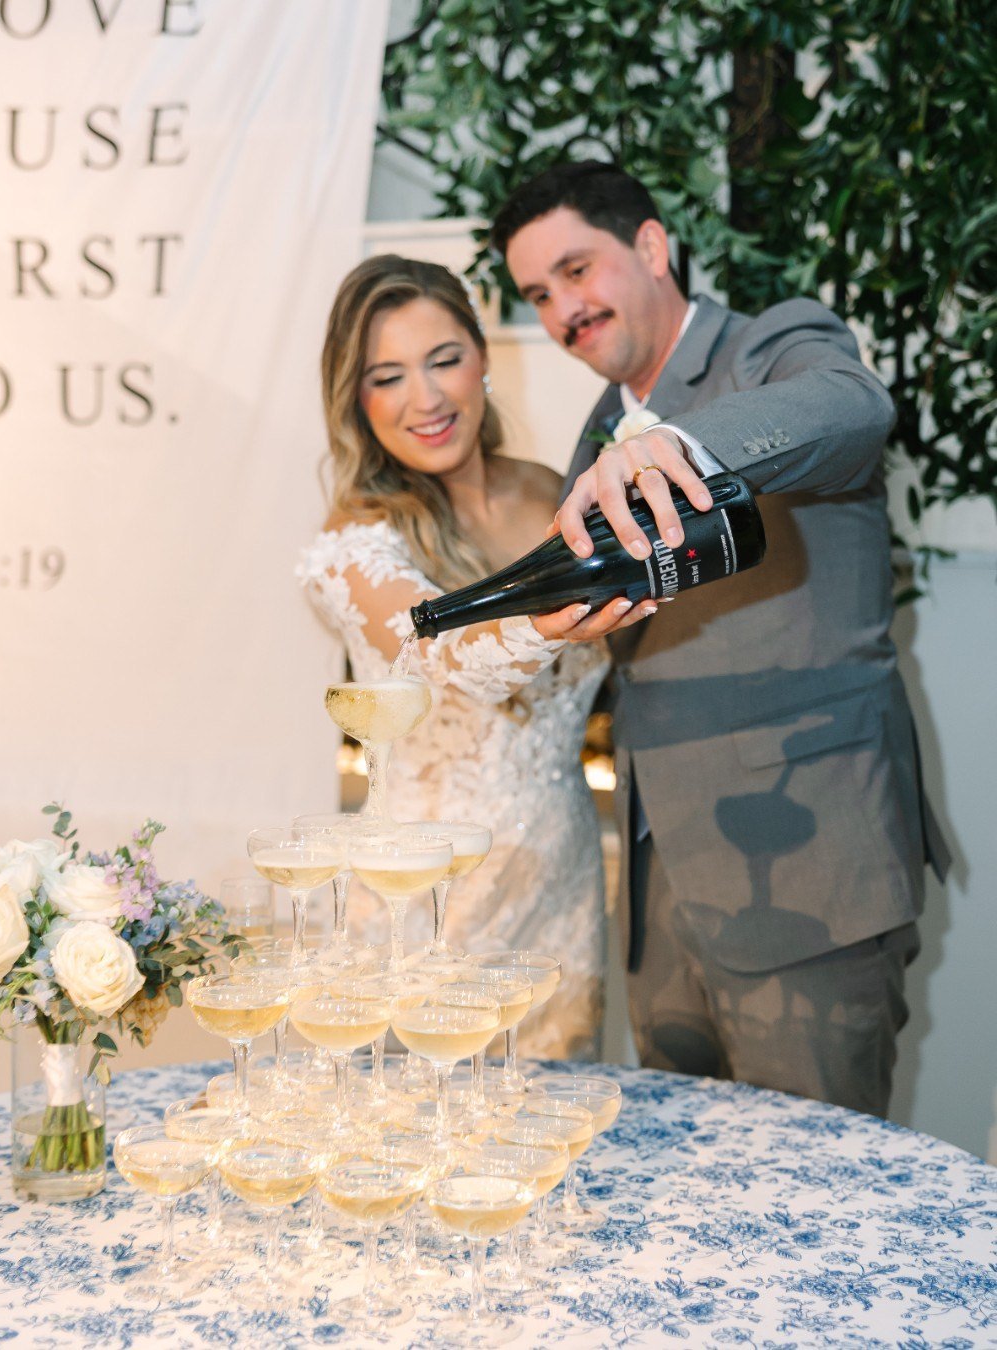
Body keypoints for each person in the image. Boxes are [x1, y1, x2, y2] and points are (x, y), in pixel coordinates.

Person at [491, 160, 949, 1115]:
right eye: (539, 294)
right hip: (660, 898)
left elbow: (854, 407)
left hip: (812, 874)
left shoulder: (772, 345)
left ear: (652, 247)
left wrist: (685, 446)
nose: (562, 310)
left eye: (577, 271)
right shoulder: (595, 439)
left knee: (818, 1212)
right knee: (697, 1216)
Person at [297, 254, 609, 1058]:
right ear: (356, 400)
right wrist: (555, 622)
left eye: (444, 361)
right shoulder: (354, 543)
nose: (426, 398)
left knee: (544, 1144)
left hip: (561, 885)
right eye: (388, 376)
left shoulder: (554, 494)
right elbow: (441, 657)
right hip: (427, 903)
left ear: (482, 360)